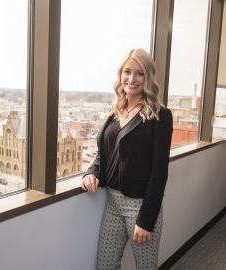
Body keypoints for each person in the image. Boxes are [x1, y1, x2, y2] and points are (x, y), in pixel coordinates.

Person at [81, 48, 173, 270]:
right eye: (127, 72)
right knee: (105, 265)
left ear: (148, 77)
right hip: (112, 203)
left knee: (146, 267)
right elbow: (104, 153)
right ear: (120, 75)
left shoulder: (160, 115)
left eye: (139, 73)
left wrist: (146, 220)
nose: (132, 79)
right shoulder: (115, 111)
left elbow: (159, 172)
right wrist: (91, 172)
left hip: (140, 206)